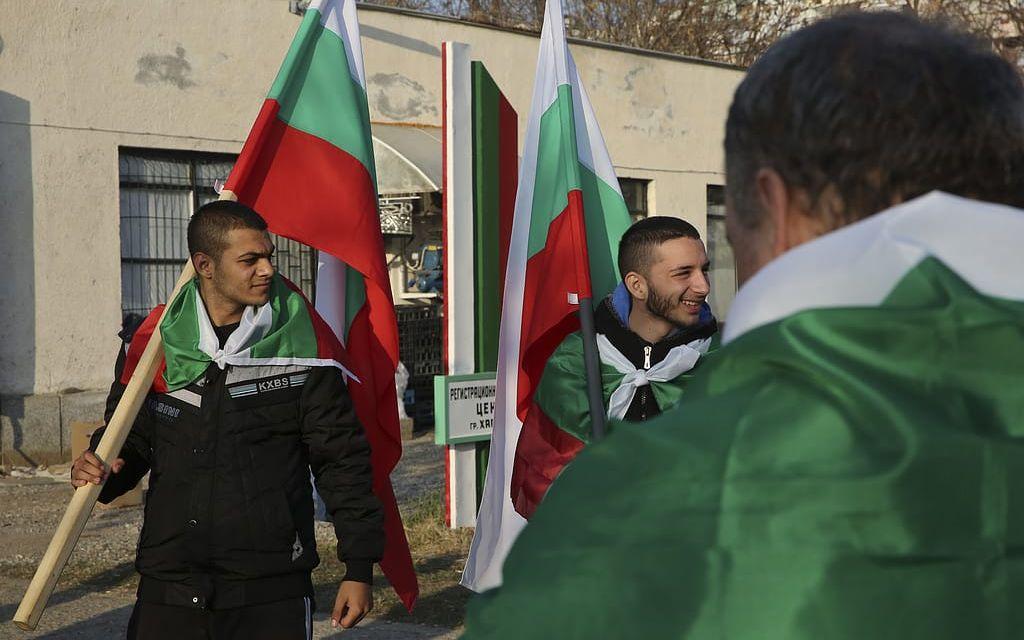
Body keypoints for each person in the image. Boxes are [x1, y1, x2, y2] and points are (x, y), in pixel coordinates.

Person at [464, 11, 1024, 639]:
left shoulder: (628, 514)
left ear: (773, 202)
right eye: (683, 272)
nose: (703, 286)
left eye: (718, 245)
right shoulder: (583, 366)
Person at [71, 200, 382, 638]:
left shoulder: (303, 345)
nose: (267, 269)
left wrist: (359, 566)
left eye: (268, 256)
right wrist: (100, 468)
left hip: (269, 589)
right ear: (205, 265)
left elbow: (342, 461)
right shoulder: (155, 340)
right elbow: (131, 441)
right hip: (169, 584)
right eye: (250, 260)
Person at [510, 216, 719, 518]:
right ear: (637, 285)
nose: (702, 286)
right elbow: (541, 472)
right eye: (683, 273)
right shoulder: (578, 360)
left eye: (704, 270)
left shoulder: (724, 357)